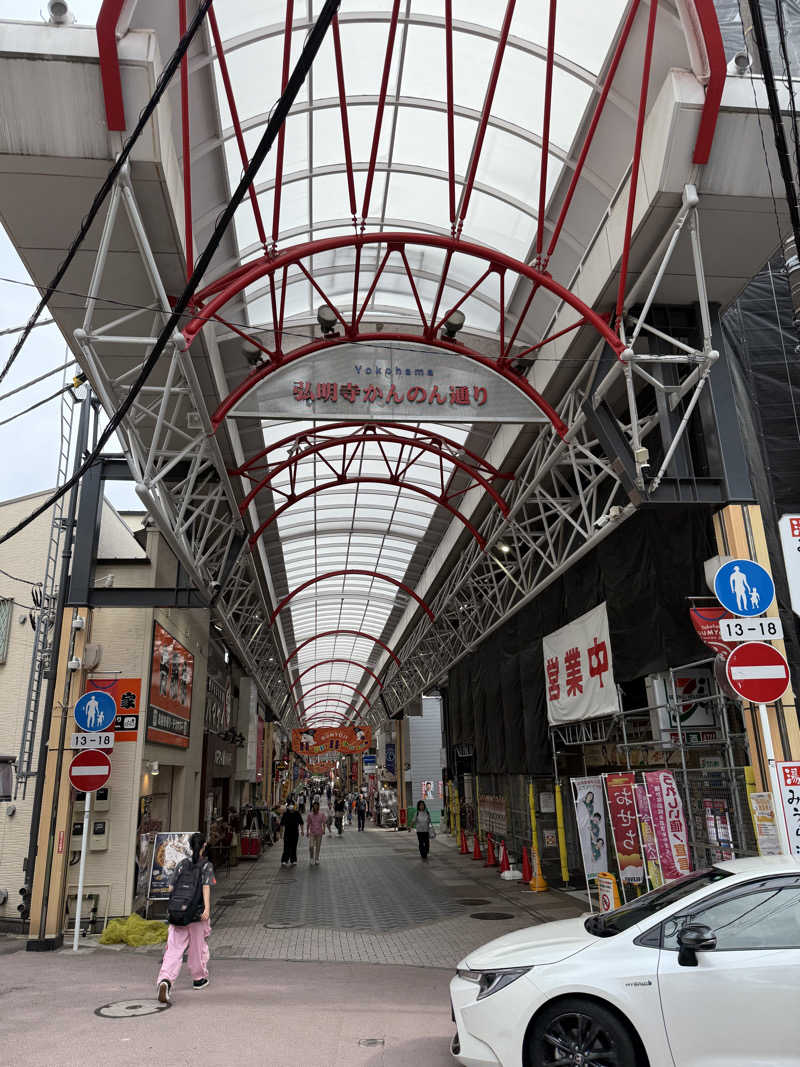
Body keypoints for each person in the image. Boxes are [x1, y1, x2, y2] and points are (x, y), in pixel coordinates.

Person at [156, 832, 214, 1003]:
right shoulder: (206, 865)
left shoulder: (182, 864)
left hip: (177, 913)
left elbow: (170, 888)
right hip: (196, 914)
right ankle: (198, 978)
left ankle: (165, 980)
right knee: (197, 947)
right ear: (204, 846)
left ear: (189, 846)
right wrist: (207, 908)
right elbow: (206, 887)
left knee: (173, 949)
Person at [279, 800, 304, 866]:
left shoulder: (297, 813)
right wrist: (281, 834)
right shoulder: (285, 814)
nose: (291, 806)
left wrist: (302, 831)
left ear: (294, 806)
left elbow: (301, 822)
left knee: (294, 846)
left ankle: (293, 860)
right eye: (289, 804)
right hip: (287, 833)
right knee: (286, 846)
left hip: (295, 833)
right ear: (287, 806)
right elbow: (281, 824)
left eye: (292, 804)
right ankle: (284, 860)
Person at [306, 800, 327, 865]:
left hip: (319, 833)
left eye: (316, 806)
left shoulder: (322, 814)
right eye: (314, 806)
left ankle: (317, 858)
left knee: (318, 846)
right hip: (312, 832)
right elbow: (308, 824)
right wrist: (307, 831)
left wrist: (324, 830)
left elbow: (324, 823)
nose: (315, 807)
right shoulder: (310, 815)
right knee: (311, 846)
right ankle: (311, 857)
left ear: (318, 807)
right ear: (312, 807)